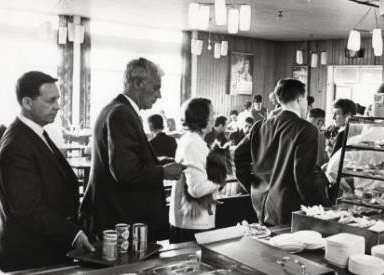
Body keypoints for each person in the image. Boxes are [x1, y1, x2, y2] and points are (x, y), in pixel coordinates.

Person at [0, 71, 94, 271]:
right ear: (27, 103)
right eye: (51, 100)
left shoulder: (36, 134)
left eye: (58, 99)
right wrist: (72, 233)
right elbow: (29, 209)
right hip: (29, 254)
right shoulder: (16, 144)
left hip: (45, 246)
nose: (57, 106)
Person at [79, 58, 183, 241]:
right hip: (121, 220)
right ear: (138, 83)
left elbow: (125, 161)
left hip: (115, 215)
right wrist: (162, 172)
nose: (159, 95)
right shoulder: (121, 114)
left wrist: (157, 163)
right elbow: (125, 172)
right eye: (156, 87)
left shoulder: (115, 109)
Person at [234, 78, 327, 226]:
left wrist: (253, 185)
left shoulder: (260, 126)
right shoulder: (306, 129)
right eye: (305, 100)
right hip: (290, 208)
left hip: (260, 204)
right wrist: (319, 207)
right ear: (299, 98)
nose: (307, 106)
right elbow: (303, 176)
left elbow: (238, 155)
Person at [169, 98, 222, 243]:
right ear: (202, 117)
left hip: (191, 221)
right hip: (192, 224)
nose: (214, 118)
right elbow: (197, 189)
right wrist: (220, 177)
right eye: (212, 113)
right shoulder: (193, 144)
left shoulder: (192, 140)